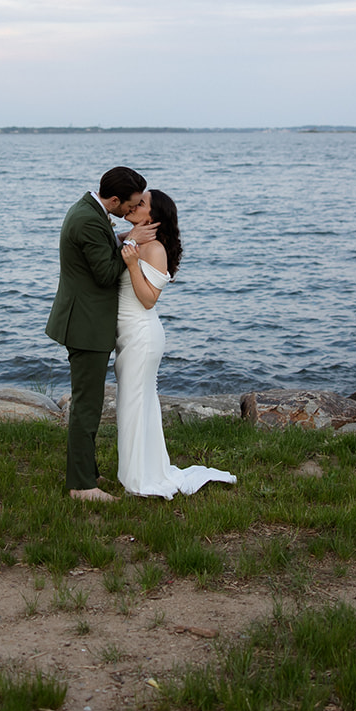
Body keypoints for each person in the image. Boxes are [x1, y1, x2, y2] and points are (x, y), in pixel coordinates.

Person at [114, 189, 236, 498]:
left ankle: (141, 478)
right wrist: (131, 235)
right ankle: (140, 471)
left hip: (142, 334)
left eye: (141, 204)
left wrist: (130, 265)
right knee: (136, 405)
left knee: (135, 404)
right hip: (128, 334)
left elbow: (148, 300)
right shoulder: (136, 241)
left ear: (153, 218)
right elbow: (112, 239)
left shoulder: (154, 249)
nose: (133, 204)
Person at [46, 166, 157, 502]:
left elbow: (99, 250)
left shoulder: (90, 210)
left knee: (89, 402)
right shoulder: (88, 220)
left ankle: (88, 470)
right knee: (87, 405)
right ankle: (81, 486)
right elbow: (107, 275)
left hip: (85, 320)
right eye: (130, 204)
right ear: (114, 199)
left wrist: (121, 239)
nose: (131, 211)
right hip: (85, 324)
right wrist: (132, 244)